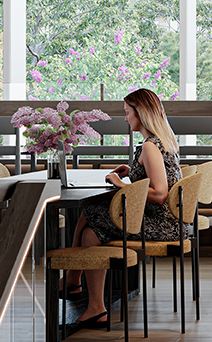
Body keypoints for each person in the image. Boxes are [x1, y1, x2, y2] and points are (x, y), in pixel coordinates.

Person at [62, 88, 183, 326]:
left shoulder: (150, 146)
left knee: (91, 214)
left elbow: (159, 194)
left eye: (128, 113)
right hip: (169, 221)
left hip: (161, 225)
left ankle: (78, 287)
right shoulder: (162, 140)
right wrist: (134, 174)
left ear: (141, 113)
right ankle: (84, 293)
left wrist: (119, 184)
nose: (125, 118)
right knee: (90, 226)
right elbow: (157, 179)